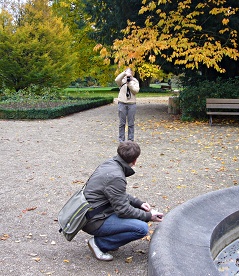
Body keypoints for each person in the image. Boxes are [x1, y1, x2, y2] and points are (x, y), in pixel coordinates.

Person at [82, 141, 164, 261]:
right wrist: (148, 216)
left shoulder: (110, 164)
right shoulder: (116, 176)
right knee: (141, 228)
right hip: (94, 220)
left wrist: (138, 203)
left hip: (92, 212)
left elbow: (117, 194)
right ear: (135, 161)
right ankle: (99, 243)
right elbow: (123, 210)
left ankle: (108, 237)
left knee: (136, 216)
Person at [115, 68, 140, 142]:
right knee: (122, 123)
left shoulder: (135, 81)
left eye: (130, 72)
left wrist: (130, 83)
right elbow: (116, 80)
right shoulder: (122, 80)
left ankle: (130, 139)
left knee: (131, 123)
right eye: (128, 72)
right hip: (122, 103)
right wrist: (124, 73)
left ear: (132, 73)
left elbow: (135, 91)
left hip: (131, 104)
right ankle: (121, 140)